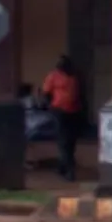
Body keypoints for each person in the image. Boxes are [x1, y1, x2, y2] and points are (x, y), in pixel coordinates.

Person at [41, 53, 84, 182]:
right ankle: (68, 168)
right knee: (64, 140)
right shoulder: (54, 76)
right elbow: (46, 93)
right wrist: (50, 106)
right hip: (60, 110)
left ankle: (63, 166)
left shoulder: (74, 77)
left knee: (68, 140)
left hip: (72, 111)